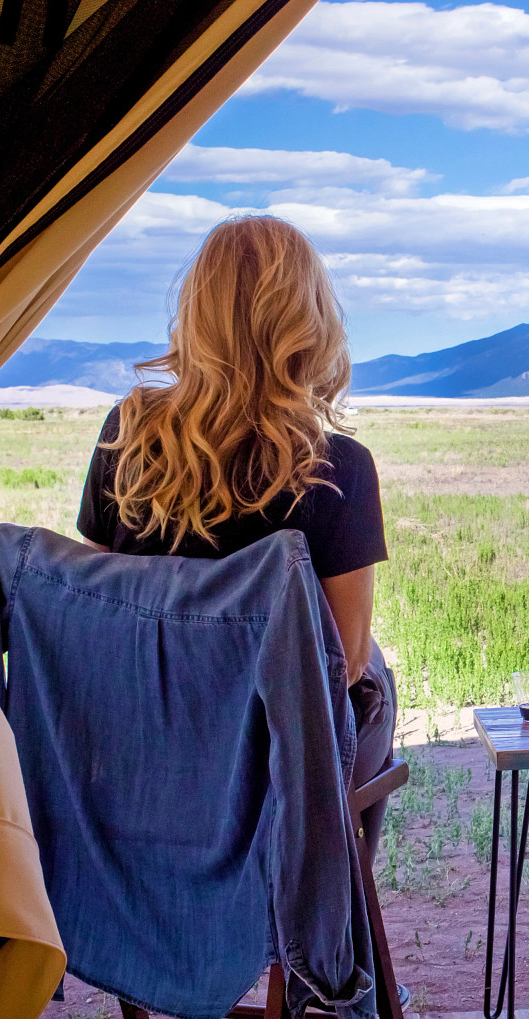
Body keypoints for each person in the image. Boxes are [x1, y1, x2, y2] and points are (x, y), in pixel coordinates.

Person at [76, 214, 396, 799]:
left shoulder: (126, 435)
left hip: (142, 743)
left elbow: (96, 610)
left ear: (196, 318)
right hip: (270, 766)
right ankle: (332, 877)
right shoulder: (338, 468)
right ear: (310, 322)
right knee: (374, 673)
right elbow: (341, 667)